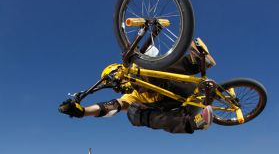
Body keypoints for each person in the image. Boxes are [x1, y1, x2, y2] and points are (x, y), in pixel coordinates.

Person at [59, 40, 216, 134]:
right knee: (133, 113)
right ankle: (195, 123)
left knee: (153, 69)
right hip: (184, 110)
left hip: (186, 87)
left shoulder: (138, 70)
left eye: (118, 83)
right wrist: (83, 112)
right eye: (116, 88)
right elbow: (110, 106)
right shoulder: (130, 97)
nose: (120, 89)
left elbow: (144, 53)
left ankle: (197, 62)